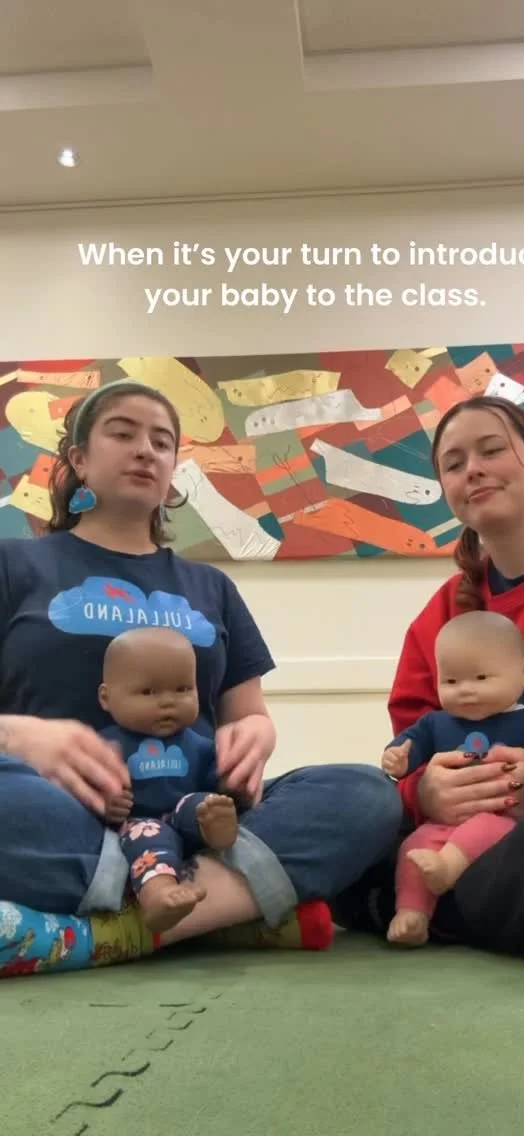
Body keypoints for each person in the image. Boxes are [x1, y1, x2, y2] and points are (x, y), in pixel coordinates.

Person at [0, 377, 402, 974]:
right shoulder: (14, 563)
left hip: (198, 825)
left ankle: (110, 930)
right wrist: (17, 736)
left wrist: (256, 736)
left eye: (162, 442)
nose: (145, 450)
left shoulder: (211, 586)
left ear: (172, 472)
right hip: (65, 823)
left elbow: (249, 716)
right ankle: (225, 911)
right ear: (78, 460)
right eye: (123, 433)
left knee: (368, 793)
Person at [334, 394, 524, 957]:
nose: (472, 469)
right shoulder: (442, 618)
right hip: (481, 833)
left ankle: (425, 909)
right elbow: (413, 744)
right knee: (348, 807)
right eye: (453, 464)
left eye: (492, 450)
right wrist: (425, 793)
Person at [382, 610, 524, 946]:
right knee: (413, 847)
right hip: (443, 821)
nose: (466, 691)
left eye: (481, 678)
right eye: (451, 681)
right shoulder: (435, 723)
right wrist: (397, 758)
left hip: (502, 819)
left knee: (485, 829)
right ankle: (412, 913)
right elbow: (409, 747)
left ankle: (446, 870)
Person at [99, 626, 243, 933]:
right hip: (139, 823)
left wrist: (231, 782)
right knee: (147, 835)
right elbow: (85, 791)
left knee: (204, 804)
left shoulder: (200, 745)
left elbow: (217, 779)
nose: (168, 702)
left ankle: (217, 831)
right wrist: (106, 804)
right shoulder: (104, 747)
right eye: (149, 692)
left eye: (182, 689)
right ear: (106, 698)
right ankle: (159, 894)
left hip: (186, 816)